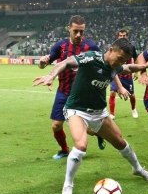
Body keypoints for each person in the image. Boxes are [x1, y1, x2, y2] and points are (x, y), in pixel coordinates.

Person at [34, 38, 148, 194]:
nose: (120, 62)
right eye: (120, 58)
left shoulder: (114, 67)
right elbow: (66, 62)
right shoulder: (92, 58)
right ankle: (68, 184)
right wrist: (51, 76)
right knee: (80, 146)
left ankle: (137, 169)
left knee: (121, 143)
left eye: (123, 60)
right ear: (110, 49)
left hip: (99, 113)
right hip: (77, 110)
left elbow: (129, 67)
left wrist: (146, 65)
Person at [39, 15, 106, 160]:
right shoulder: (60, 46)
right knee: (56, 125)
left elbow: (103, 67)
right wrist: (42, 62)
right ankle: (64, 150)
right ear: (69, 28)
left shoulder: (92, 46)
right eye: (75, 31)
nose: (78, 35)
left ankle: (99, 133)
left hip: (82, 95)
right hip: (63, 91)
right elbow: (46, 62)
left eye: (81, 31)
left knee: (88, 130)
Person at [109, 29, 139, 119]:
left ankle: (133, 109)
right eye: (120, 36)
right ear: (118, 36)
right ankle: (112, 114)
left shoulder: (132, 47)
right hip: (116, 74)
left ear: (127, 36)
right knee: (112, 93)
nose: (122, 37)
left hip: (127, 75)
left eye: (124, 35)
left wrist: (136, 72)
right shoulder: (114, 46)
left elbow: (136, 59)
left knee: (132, 95)